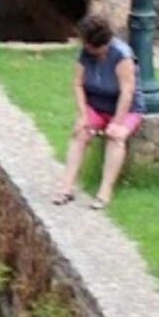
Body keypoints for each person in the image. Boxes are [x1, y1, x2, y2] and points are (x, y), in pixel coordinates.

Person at [53, 13, 140, 209]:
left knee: (116, 138)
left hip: (125, 109)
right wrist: (84, 115)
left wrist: (117, 122)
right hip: (97, 105)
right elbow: (78, 84)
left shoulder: (122, 56)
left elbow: (128, 92)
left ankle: (105, 190)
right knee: (80, 133)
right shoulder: (85, 54)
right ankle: (66, 186)